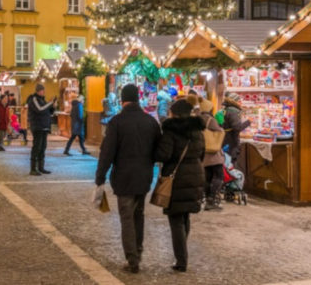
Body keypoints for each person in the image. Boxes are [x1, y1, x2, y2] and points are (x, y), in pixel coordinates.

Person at [95, 84, 161, 274]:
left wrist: (100, 176)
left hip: (124, 177)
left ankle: (132, 260)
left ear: (123, 100)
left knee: (126, 218)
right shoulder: (150, 122)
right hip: (144, 177)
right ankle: (137, 252)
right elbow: (159, 150)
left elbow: (107, 152)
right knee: (138, 215)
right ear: (138, 99)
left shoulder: (117, 122)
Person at [155, 99, 205, 273]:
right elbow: (202, 152)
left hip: (177, 177)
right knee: (185, 216)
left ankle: (181, 260)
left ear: (174, 113)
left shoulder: (171, 130)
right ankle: (182, 253)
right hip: (196, 174)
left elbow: (164, 154)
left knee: (175, 219)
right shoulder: (198, 130)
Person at [199, 98, 225, 211]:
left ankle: (207, 201)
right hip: (213, 152)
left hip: (203, 152)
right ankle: (211, 200)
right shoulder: (210, 119)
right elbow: (219, 132)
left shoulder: (198, 118)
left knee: (207, 177)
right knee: (219, 175)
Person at [26, 84, 56, 176]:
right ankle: (33, 168)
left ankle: (41, 167)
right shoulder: (33, 99)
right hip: (37, 126)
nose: (43, 92)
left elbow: (48, 112)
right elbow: (40, 109)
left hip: (44, 126)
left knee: (43, 147)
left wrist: (53, 107)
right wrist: (50, 103)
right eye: (42, 90)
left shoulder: (42, 100)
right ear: (38, 91)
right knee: (37, 147)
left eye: (44, 90)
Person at [222, 93, 250, 162]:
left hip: (226, 140)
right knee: (230, 163)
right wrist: (248, 122)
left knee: (227, 161)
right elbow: (237, 128)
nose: (241, 102)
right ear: (235, 101)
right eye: (239, 101)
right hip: (231, 142)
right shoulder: (233, 112)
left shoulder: (226, 110)